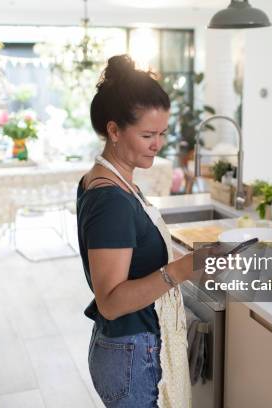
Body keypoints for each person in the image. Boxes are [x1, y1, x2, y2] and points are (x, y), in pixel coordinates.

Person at [76, 54, 194, 407]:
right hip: (131, 353)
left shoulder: (114, 179)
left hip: (126, 346)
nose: (157, 144)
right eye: (147, 135)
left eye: (162, 133)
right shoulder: (111, 197)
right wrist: (183, 268)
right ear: (113, 130)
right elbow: (111, 302)